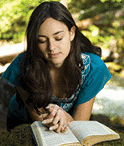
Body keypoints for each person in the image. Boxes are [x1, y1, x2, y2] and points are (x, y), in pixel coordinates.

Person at [2, 1, 111, 133]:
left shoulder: (93, 68)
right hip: (23, 121)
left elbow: (81, 122)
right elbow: (39, 118)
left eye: (58, 38)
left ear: (72, 33)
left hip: (69, 120)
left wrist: (65, 116)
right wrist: (58, 116)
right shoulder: (22, 66)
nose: (51, 48)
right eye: (42, 40)